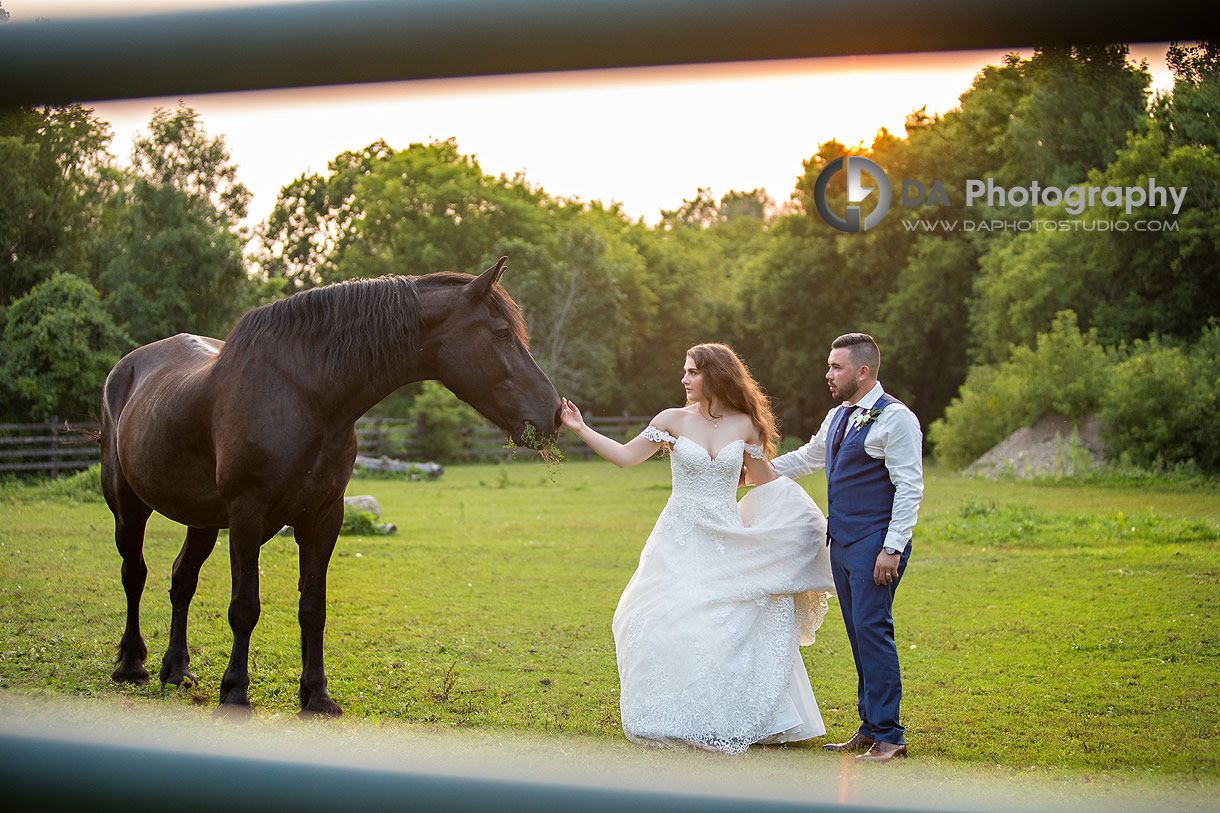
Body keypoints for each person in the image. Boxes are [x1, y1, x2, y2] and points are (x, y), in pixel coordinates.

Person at [560, 343, 835, 754]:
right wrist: (580, 428)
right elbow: (624, 457)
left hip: (725, 534)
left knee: (730, 617)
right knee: (660, 615)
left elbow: (768, 482)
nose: (684, 379)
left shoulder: (746, 425)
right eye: (685, 372)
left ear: (716, 375)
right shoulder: (670, 420)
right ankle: (673, 710)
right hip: (680, 535)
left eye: (692, 372)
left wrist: (802, 525)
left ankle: (731, 714)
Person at [769, 332, 923, 763]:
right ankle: (870, 726)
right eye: (829, 365)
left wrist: (892, 548)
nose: (828, 374)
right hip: (842, 542)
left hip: (876, 544)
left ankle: (890, 736)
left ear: (863, 371)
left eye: (836, 367)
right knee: (859, 634)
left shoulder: (896, 419)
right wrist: (755, 470)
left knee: (874, 632)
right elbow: (807, 458)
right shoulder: (838, 416)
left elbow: (910, 488)